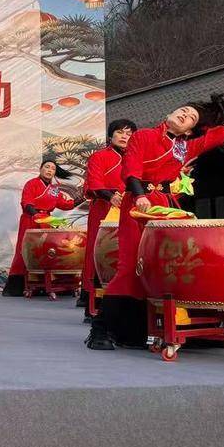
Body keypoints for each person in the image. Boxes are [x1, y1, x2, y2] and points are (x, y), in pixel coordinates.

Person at [85, 96, 224, 350]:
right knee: (132, 265)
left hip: (165, 204)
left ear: (190, 130)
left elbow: (218, 136)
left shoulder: (185, 147)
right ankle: (101, 328)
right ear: (170, 113)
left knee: (172, 265)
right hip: (138, 206)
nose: (185, 114)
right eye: (183, 110)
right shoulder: (144, 136)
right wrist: (139, 195)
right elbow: (131, 169)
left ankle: (186, 328)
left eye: (192, 118)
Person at [78, 120, 136, 319]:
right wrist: (110, 196)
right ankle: (94, 302)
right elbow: (94, 183)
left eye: (129, 134)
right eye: (120, 132)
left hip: (129, 208)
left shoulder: (136, 157)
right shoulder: (99, 156)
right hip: (103, 208)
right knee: (99, 251)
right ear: (111, 136)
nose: (124, 136)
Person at [1, 158, 78, 297]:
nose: (49, 170)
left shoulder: (54, 189)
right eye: (47, 167)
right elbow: (26, 202)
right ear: (41, 169)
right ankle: (16, 287)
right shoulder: (31, 184)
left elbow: (66, 204)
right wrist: (36, 215)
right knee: (24, 250)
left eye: (53, 169)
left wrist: (81, 198)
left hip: (46, 220)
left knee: (47, 251)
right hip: (30, 218)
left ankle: (46, 284)